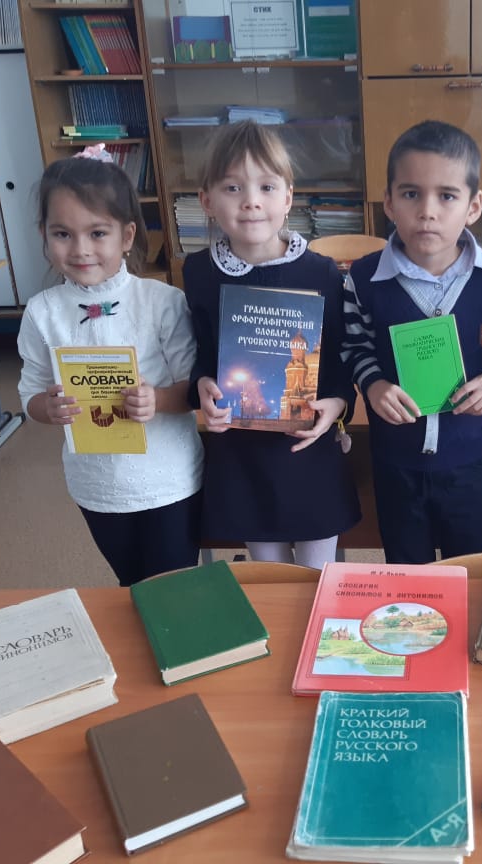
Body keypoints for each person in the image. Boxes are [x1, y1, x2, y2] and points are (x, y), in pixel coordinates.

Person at [17, 145, 203, 586]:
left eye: (98, 233)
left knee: (174, 587)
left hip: (169, 481)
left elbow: (192, 388)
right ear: (44, 235)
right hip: (96, 486)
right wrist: (49, 408)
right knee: (131, 586)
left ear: (127, 235)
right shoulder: (42, 312)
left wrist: (156, 400)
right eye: (63, 234)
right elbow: (30, 394)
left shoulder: (161, 302)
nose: (81, 249)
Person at [185, 121, 359, 569]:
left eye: (266, 186)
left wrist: (338, 404)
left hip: (307, 447)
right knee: (272, 577)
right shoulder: (199, 272)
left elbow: (341, 359)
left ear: (288, 198)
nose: (251, 201)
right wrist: (202, 385)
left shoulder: (321, 272)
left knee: (320, 576)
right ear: (206, 200)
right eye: (232, 187)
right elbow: (200, 354)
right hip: (242, 456)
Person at [342, 120, 482, 564]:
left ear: (474, 206)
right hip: (396, 462)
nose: (427, 211)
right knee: (407, 576)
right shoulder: (363, 278)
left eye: (447, 196)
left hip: (469, 461)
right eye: (411, 194)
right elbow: (355, 347)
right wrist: (374, 386)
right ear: (388, 202)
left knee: (469, 569)